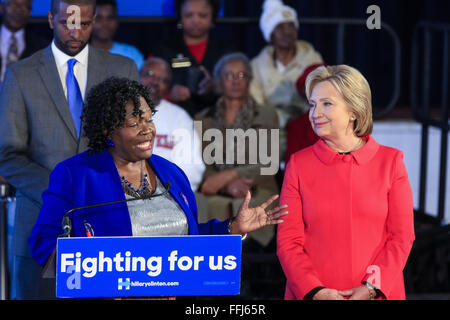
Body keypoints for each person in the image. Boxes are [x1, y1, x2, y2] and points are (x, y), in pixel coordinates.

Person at [28, 77, 288, 271]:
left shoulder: (171, 173)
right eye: (134, 123)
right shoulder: (75, 175)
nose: (147, 130)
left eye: (149, 119)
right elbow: (43, 245)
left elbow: (189, 238)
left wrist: (232, 228)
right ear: (108, 130)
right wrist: (97, 267)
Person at [0, 0, 140, 299]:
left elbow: (135, 144)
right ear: (50, 19)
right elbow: (8, 155)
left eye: (84, 24)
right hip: (39, 224)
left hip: (108, 224)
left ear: (96, 20)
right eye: (67, 24)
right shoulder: (20, 74)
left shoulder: (122, 69)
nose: (75, 33)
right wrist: (60, 192)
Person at [277, 65, 415, 300]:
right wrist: (315, 291)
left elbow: (401, 238)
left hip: (378, 293)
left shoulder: (391, 162)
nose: (314, 113)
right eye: (312, 104)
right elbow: (288, 242)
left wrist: (372, 288)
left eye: (326, 104)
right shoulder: (298, 165)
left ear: (354, 110)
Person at [195, 52, 280, 249]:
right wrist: (226, 186)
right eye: (229, 75)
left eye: (241, 75)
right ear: (218, 81)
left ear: (249, 80)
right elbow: (201, 163)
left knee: (250, 208)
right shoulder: (203, 119)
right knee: (205, 207)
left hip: (258, 187)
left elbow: (269, 162)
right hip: (216, 190)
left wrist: (231, 175)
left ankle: (247, 275)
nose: (235, 81)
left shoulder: (267, 115)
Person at [250, 0, 322, 161]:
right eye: (280, 27)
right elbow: (257, 102)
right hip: (273, 127)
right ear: (270, 33)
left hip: (307, 124)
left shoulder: (312, 58)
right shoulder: (257, 65)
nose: (287, 32)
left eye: (291, 26)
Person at [154, 0, 233, 117]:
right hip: (173, 118)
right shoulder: (163, 50)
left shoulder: (227, 51)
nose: (196, 21)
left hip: (217, 120)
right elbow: (147, 84)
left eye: (203, 15)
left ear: (213, 17)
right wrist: (169, 95)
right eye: (189, 15)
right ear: (180, 16)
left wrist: (215, 87)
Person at [140, 57, 205, 192]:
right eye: (150, 74)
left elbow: (192, 166)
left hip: (167, 193)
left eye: (163, 80)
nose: (155, 82)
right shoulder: (121, 112)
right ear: (137, 76)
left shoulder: (179, 117)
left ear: (168, 88)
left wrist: (164, 191)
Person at [0, 0, 48, 82]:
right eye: (14, 4)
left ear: (30, 11)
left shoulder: (42, 48)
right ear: (1, 7)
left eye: (25, 6)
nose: (19, 10)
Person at [90, 0, 144, 70]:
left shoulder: (132, 54)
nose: (105, 24)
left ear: (117, 21)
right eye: (98, 18)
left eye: (110, 18)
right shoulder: (80, 54)